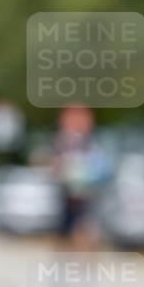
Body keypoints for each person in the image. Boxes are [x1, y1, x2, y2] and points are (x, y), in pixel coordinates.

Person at [52, 103, 110, 251]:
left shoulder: (95, 144)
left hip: (87, 198)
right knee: (66, 235)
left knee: (86, 231)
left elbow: (102, 169)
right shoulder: (61, 143)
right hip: (66, 198)